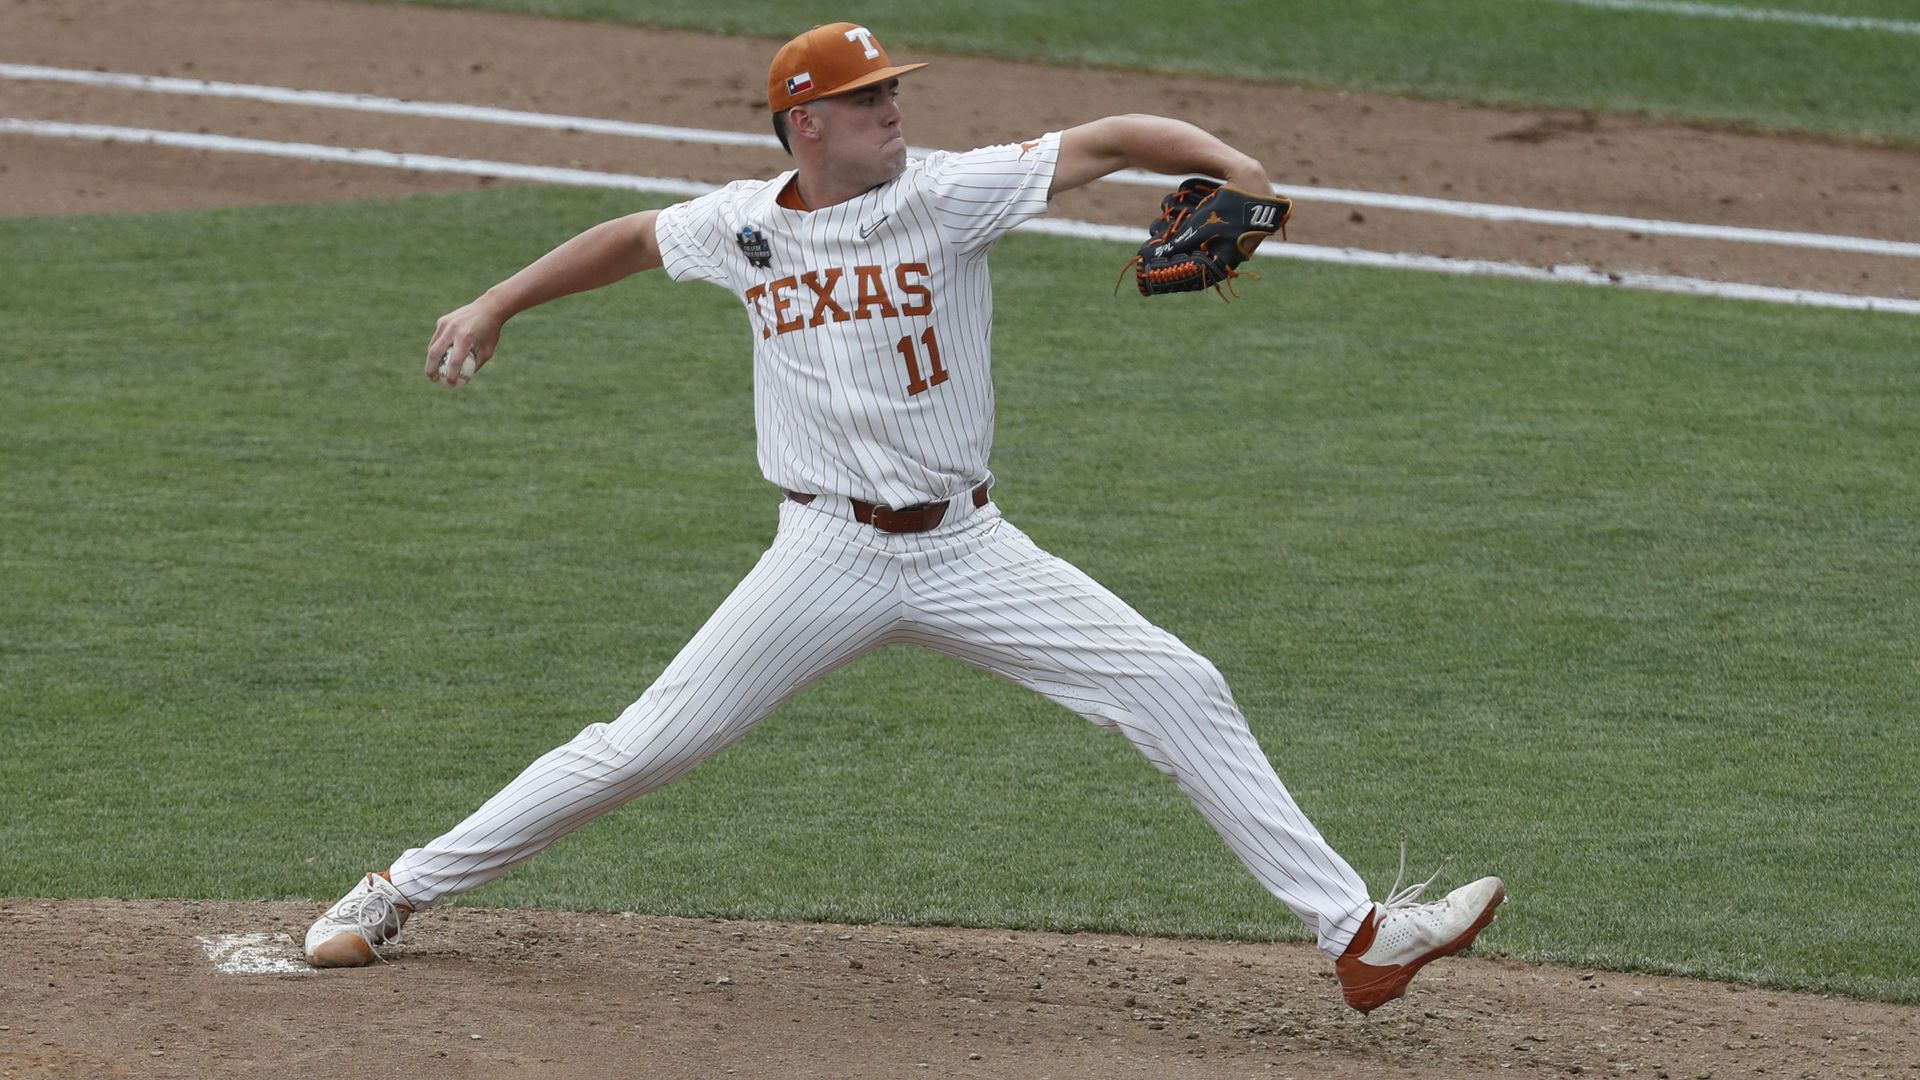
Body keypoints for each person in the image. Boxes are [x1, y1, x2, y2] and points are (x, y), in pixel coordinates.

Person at [305, 22, 1505, 1013]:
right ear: (806, 122)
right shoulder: (745, 225)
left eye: (894, 94)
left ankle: (1355, 934)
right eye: (872, 100)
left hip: (970, 548)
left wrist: (1238, 170)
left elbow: (1116, 138)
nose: (896, 113)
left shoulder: (949, 195)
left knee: (1173, 683)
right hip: (823, 551)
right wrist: (497, 301)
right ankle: (399, 889)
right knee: (650, 743)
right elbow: (628, 238)